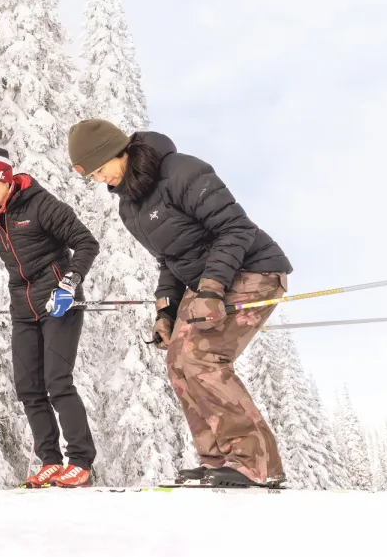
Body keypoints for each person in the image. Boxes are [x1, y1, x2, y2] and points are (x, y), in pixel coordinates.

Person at [67, 119, 293, 488]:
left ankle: (256, 464)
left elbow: (236, 229)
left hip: (253, 269)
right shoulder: (130, 206)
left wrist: (211, 289)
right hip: (207, 281)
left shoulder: (182, 171)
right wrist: (165, 312)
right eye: (91, 176)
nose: (99, 180)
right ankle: (218, 460)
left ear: (116, 151)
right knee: (178, 362)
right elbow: (168, 260)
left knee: (200, 357)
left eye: (100, 169)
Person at [0, 143, 101, 488]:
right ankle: (51, 462)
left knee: (58, 382)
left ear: (4, 178)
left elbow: (85, 242)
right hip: (23, 311)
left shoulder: (40, 204)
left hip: (59, 303)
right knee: (28, 389)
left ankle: (80, 461)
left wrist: (69, 284)